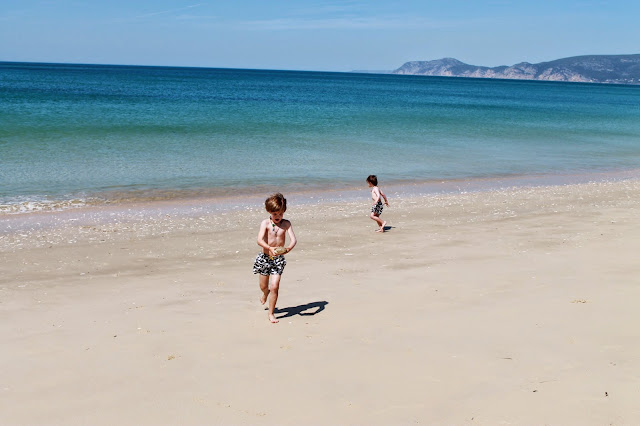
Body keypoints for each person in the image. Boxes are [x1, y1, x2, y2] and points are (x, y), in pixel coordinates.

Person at [253, 193, 297, 323]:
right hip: (265, 257)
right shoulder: (265, 223)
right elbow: (259, 240)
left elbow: (293, 239)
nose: (278, 216)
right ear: (269, 211)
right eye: (275, 214)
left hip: (278, 259)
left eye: (280, 214)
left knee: (275, 286)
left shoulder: (286, 224)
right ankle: (265, 293)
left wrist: (288, 248)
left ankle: (271, 313)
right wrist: (269, 248)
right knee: (263, 286)